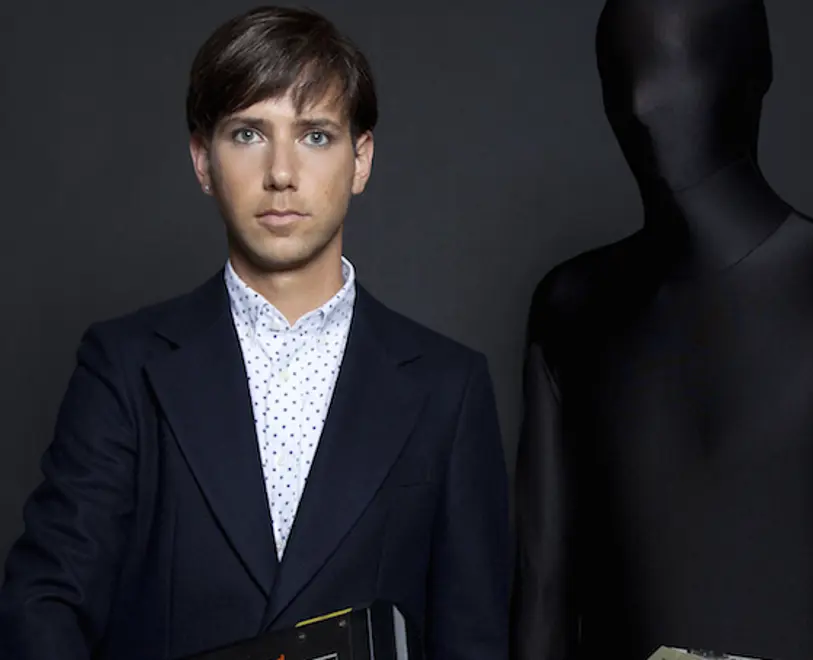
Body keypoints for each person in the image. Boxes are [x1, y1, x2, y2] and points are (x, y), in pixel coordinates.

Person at [0, 6, 509, 659]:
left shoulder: (448, 386)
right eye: (248, 133)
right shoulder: (123, 365)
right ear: (202, 160)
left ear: (361, 159)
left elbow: (474, 636)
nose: (281, 173)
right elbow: (45, 603)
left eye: (315, 136)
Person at [509, 0, 813, 659]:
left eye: (677, 64)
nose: (642, 101)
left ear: (753, 72)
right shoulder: (571, 307)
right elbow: (542, 600)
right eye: (618, 72)